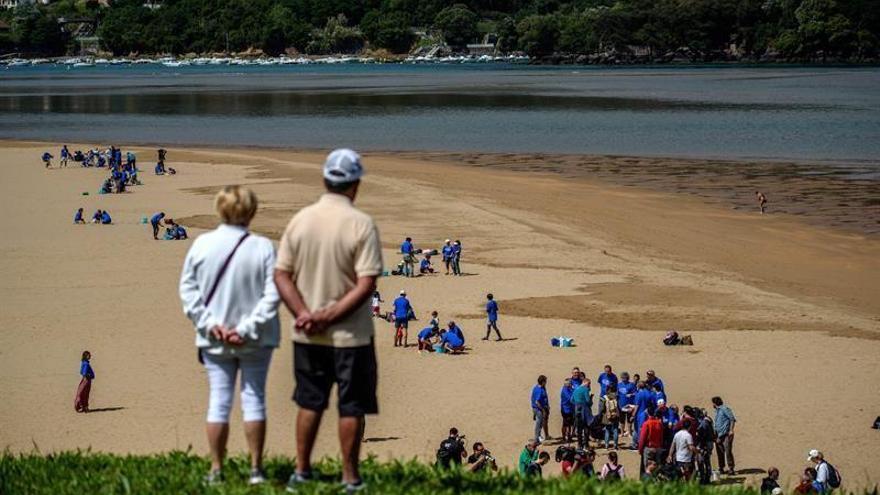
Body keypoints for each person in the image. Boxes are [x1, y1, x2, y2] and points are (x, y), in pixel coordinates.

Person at [273, 149, 382, 493]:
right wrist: (328, 316)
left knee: (309, 402)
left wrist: (306, 315)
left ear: (325, 180)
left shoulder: (300, 219)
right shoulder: (361, 223)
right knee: (351, 407)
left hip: (308, 335)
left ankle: (301, 471)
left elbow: (281, 276)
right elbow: (367, 284)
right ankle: (350, 476)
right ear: (356, 184)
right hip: (352, 335)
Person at [179, 185, 280, 486]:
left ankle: (216, 469)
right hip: (256, 338)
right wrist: (246, 329)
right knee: (254, 400)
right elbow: (272, 295)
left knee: (219, 401)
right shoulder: (262, 247)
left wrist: (211, 325)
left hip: (215, 338)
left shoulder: (202, 244)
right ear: (251, 211)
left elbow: (188, 291)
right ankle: (256, 469)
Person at [712, 396, 736, 475]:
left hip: (726, 434)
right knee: (720, 452)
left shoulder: (724, 409)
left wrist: (731, 430)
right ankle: (721, 468)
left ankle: (731, 468)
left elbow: (732, 419)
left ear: (715, 403)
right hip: (718, 435)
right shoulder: (716, 411)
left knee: (728, 451)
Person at [638, 410, 664, 477]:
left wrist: (640, 449)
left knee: (648, 468)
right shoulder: (659, 423)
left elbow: (642, 438)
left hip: (649, 448)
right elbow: (661, 436)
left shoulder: (646, 423)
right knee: (657, 467)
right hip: (657, 448)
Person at [572, 376, 592, 448]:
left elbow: (572, 400)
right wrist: (590, 400)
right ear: (585, 383)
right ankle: (586, 443)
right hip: (585, 410)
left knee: (579, 429)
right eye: (589, 384)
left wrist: (577, 404)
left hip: (577, 410)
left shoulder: (576, 389)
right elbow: (588, 400)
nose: (589, 385)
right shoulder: (585, 389)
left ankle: (579, 444)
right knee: (586, 427)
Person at [531, 376, 551, 442]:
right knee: (539, 424)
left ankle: (539, 436)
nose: (546, 383)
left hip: (539, 408)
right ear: (543, 382)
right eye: (545, 381)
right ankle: (536, 438)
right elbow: (537, 402)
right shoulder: (539, 390)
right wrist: (542, 410)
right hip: (539, 409)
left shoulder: (538, 387)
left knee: (540, 423)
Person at [560, 378, 575, 443]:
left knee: (570, 424)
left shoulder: (570, 389)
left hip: (571, 409)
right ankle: (564, 437)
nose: (571, 384)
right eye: (570, 383)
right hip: (566, 410)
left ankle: (569, 437)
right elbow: (570, 399)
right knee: (565, 424)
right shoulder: (564, 390)